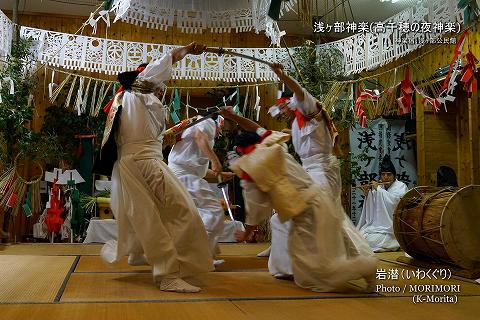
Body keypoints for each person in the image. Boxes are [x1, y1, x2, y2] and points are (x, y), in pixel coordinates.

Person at [221, 107, 377, 293]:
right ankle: (361, 268)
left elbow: (255, 209)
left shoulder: (253, 168)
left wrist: (245, 235)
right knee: (322, 248)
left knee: (313, 267)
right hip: (319, 197)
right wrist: (233, 116)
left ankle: (366, 267)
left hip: (306, 210)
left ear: (240, 152)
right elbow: (257, 129)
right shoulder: (273, 144)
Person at [99, 42, 214, 293]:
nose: (163, 91)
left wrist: (177, 129)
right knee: (182, 212)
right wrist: (187, 50)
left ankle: (140, 254)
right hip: (145, 163)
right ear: (146, 77)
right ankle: (168, 275)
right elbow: (170, 57)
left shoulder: (129, 101)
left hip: (135, 162)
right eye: (161, 85)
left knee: (147, 215)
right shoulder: (140, 89)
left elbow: (151, 139)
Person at [267, 64, 373, 278]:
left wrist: (282, 75)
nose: (282, 110)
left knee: (325, 216)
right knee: (282, 218)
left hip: (323, 170)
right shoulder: (298, 123)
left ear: (291, 101)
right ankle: (290, 266)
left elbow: (298, 91)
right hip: (308, 172)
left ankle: (356, 263)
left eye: (283, 105)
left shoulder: (309, 106)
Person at [167, 114, 235, 262]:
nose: (221, 133)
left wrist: (220, 173)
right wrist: (215, 160)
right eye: (223, 129)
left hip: (182, 174)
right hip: (184, 176)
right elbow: (199, 137)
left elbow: (198, 169)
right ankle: (200, 255)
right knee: (213, 212)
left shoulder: (201, 125)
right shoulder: (208, 121)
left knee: (195, 217)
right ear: (220, 122)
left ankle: (193, 253)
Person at [357, 154, 408, 252]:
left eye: (389, 174)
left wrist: (379, 190)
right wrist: (368, 195)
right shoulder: (380, 188)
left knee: (372, 240)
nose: (386, 177)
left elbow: (395, 202)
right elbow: (374, 207)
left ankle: (394, 243)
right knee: (360, 235)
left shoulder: (401, 186)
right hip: (378, 226)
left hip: (392, 229)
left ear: (394, 175)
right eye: (383, 174)